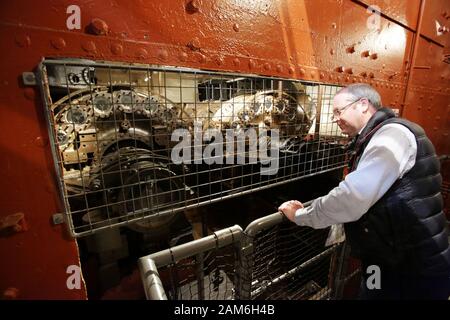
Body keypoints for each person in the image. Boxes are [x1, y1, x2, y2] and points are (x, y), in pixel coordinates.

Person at [278, 83, 450, 300]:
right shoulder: (376, 136)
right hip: (381, 258)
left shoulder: (392, 136)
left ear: (362, 105)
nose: (335, 118)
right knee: (370, 290)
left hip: (411, 266)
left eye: (339, 111)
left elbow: (352, 197)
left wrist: (301, 215)